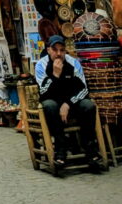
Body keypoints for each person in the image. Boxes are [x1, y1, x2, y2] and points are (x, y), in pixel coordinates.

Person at [34, 34, 103, 174]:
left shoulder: (73, 63)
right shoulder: (41, 65)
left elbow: (83, 89)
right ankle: (60, 150)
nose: (59, 54)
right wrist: (55, 75)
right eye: (55, 50)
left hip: (71, 104)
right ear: (48, 50)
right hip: (53, 103)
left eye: (62, 50)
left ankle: (90, 150)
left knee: (88, 105)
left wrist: (67, 104)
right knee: (49, 105)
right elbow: (44, 93)